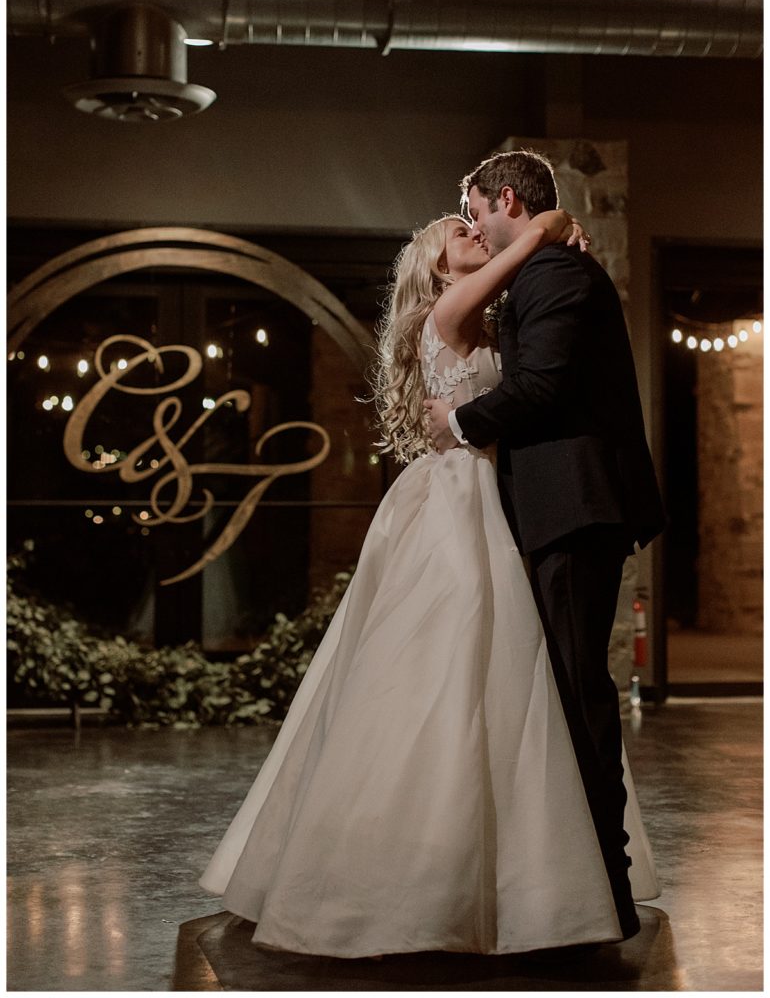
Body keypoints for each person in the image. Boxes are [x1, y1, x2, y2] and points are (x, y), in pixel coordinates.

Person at [200, 207, 658, 958]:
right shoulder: (444, 308)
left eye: (476, 225)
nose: (475, 236)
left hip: (498, 494)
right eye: (460, 234)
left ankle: (524, 868)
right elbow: (517, 275)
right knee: (444, 656)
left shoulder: (496, 320)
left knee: (509, 671)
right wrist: (547, 230)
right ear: (438, 265)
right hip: (452, 499)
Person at [425, 149, 666, 941]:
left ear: (503, 200)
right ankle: (575, 878)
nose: (473, 227)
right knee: (561, 692)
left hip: (573, 508)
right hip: (554, 509)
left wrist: (457, 423)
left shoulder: (553, 276)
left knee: (575, 691)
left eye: (474, 210)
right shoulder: (537, 272)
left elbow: (544, 387)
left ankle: (605, 887)